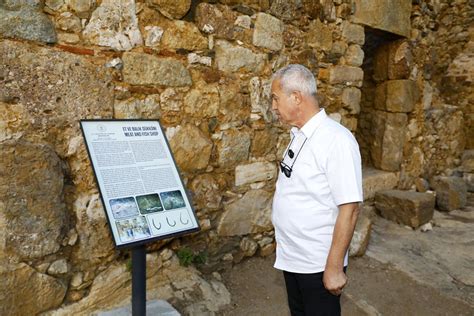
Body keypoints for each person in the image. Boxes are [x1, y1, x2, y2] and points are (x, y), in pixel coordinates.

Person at [271, 64, 363, 316]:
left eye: (275, 98)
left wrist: (334, 268)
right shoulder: (300, 135)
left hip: (317, 264)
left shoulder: (337, 140)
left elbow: (350, 208)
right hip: (293, 257)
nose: (273, 107)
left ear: (296, 97)